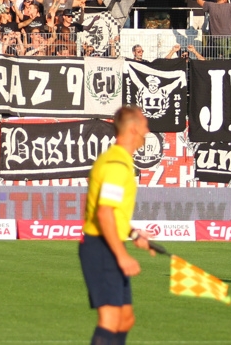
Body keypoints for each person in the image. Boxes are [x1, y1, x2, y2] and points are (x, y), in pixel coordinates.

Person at [80, 106, 155, 345]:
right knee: (110, 320)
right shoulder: (116, 164)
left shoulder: (121, 160)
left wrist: (133, 233)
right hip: (100, 247)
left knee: (125, 319)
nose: (147, 131)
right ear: (133, 128)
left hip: (107, 245)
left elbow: (112, 213)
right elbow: (104, 213)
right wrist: (122, 256)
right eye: (145, 125)